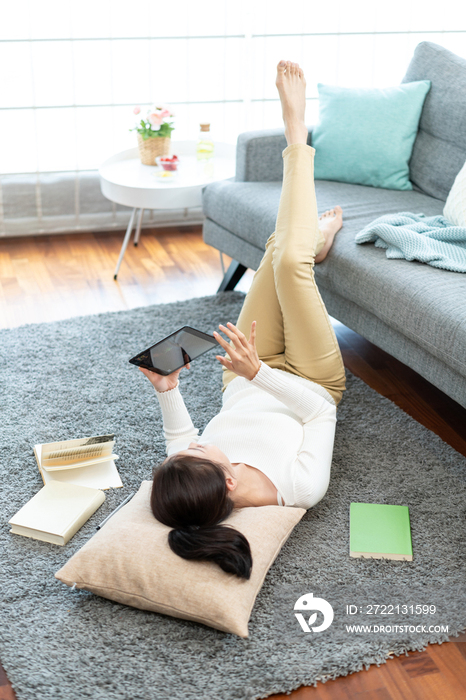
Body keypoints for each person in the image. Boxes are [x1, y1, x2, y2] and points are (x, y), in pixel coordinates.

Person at [139, 60, 346, 580]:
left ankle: (312, 241)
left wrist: (167, 388)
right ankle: (297, 133)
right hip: (309, 381)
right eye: (200, 452)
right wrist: (261, 375)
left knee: (279, 251)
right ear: (228, 483)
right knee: (289, 263)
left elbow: (179, 442)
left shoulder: (196, 477)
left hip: (246, 370)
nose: (192, 447)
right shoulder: (299, 489)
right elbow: (321, 414)